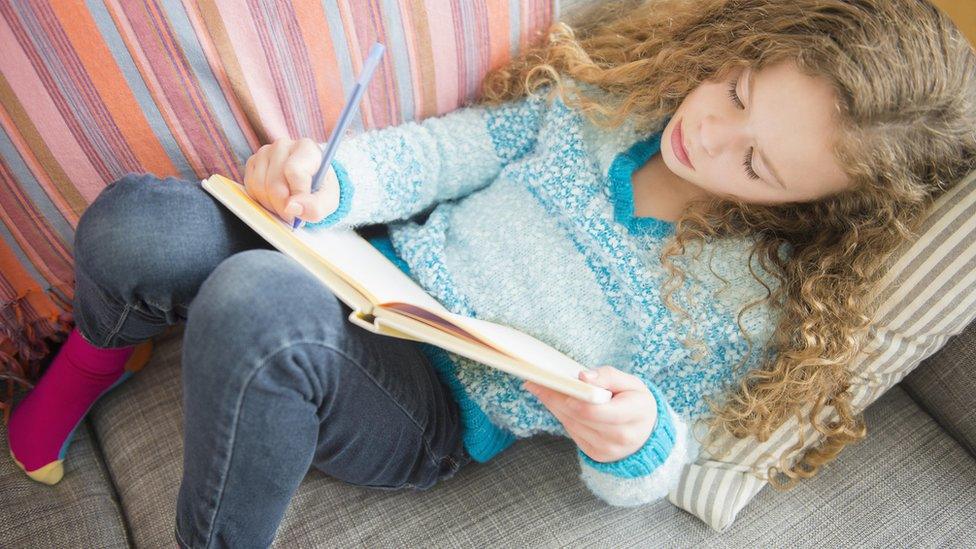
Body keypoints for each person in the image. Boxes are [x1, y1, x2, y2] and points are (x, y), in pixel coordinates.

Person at [7, 0, 976, 546]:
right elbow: (449, 154)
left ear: (808, 210)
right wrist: (328, 179)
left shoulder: (743, 306)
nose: (708, 133)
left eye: (753, 164)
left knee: (259, 303)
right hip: (361, 276)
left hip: (424, 407)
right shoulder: (609, 107)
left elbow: (664, 457)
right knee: (145, 218)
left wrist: (627, 436)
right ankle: (96, 360)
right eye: (733, 91)